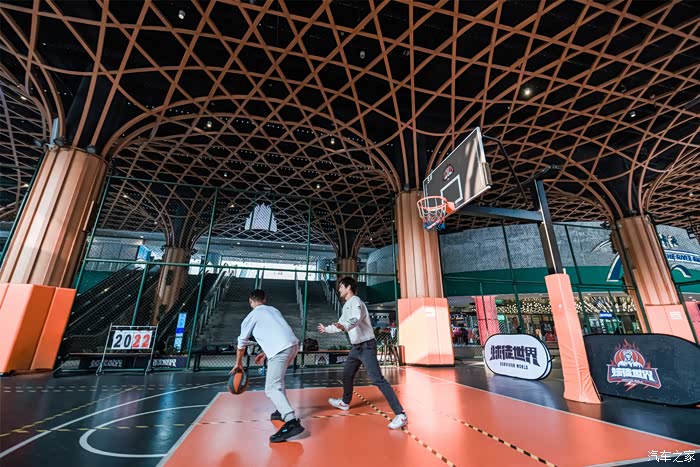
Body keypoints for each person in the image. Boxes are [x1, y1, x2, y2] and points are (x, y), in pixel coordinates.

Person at [317, 276, 408, 430]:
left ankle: (401, 414)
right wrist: (327, 329)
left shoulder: (356, 301)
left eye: (341, 286)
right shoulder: (346, 305)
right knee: (347, 374)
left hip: (366, 346)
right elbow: (341, 323)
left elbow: (355, 319)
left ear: (348, 287)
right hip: (356, 348)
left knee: (377, 379)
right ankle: (345, 402)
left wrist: (344, 326)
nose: (339, 289)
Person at [231, 289, 304, 443]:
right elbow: (278, 332)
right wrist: (265, 352)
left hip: (281, 350)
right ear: (264, 299)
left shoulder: (251, 316)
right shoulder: (273, 310)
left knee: (271, 388)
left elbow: (241, 342)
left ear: (250, 302)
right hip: (293, 346)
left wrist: (238, 363)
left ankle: (291, 422)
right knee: (279, 381)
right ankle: (281, 411)